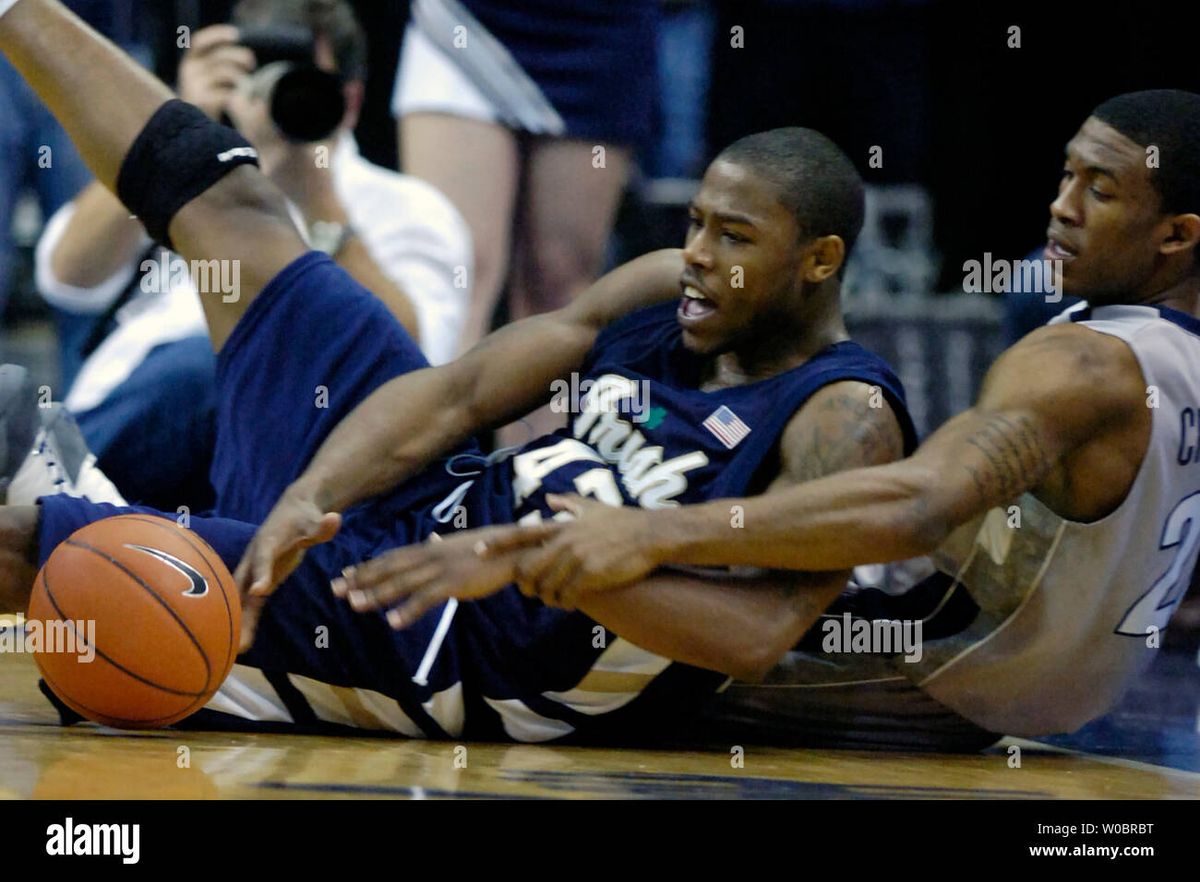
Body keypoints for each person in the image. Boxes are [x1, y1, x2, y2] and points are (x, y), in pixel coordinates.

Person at [0, 0, 916, 742]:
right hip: (428, 503)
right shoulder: (663, 294)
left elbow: (758, 634)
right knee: (237, 205)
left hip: (454, 641)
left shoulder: (842, 421)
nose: (699, 256)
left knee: (42, 546)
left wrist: (556, 564)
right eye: (696, 226)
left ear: (821, 261)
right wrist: (310, 491)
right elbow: (460, 393)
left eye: (736, 239)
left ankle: (95, 495)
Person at [465, 90, 1200, 748]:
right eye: (1066, 175)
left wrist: (645, 533)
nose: (1061, 205)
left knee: (536, 596)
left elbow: (916, 504)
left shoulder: (1084, 364)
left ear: (1176, 236)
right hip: (1051, 692)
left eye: (1098, 190)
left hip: (924, 677)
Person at [30, 0, 471, 511]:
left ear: (348, 101)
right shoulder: (184, 168)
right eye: (255, 75)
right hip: (144, 420)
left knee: (251, 361)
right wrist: (170, 133)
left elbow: (416, 369)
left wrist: (317, 200)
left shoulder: (405, 208)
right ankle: (55, 493)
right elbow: (65, 277)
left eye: (299, 81)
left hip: (307, 454)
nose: (268, 99)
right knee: (208, 365)